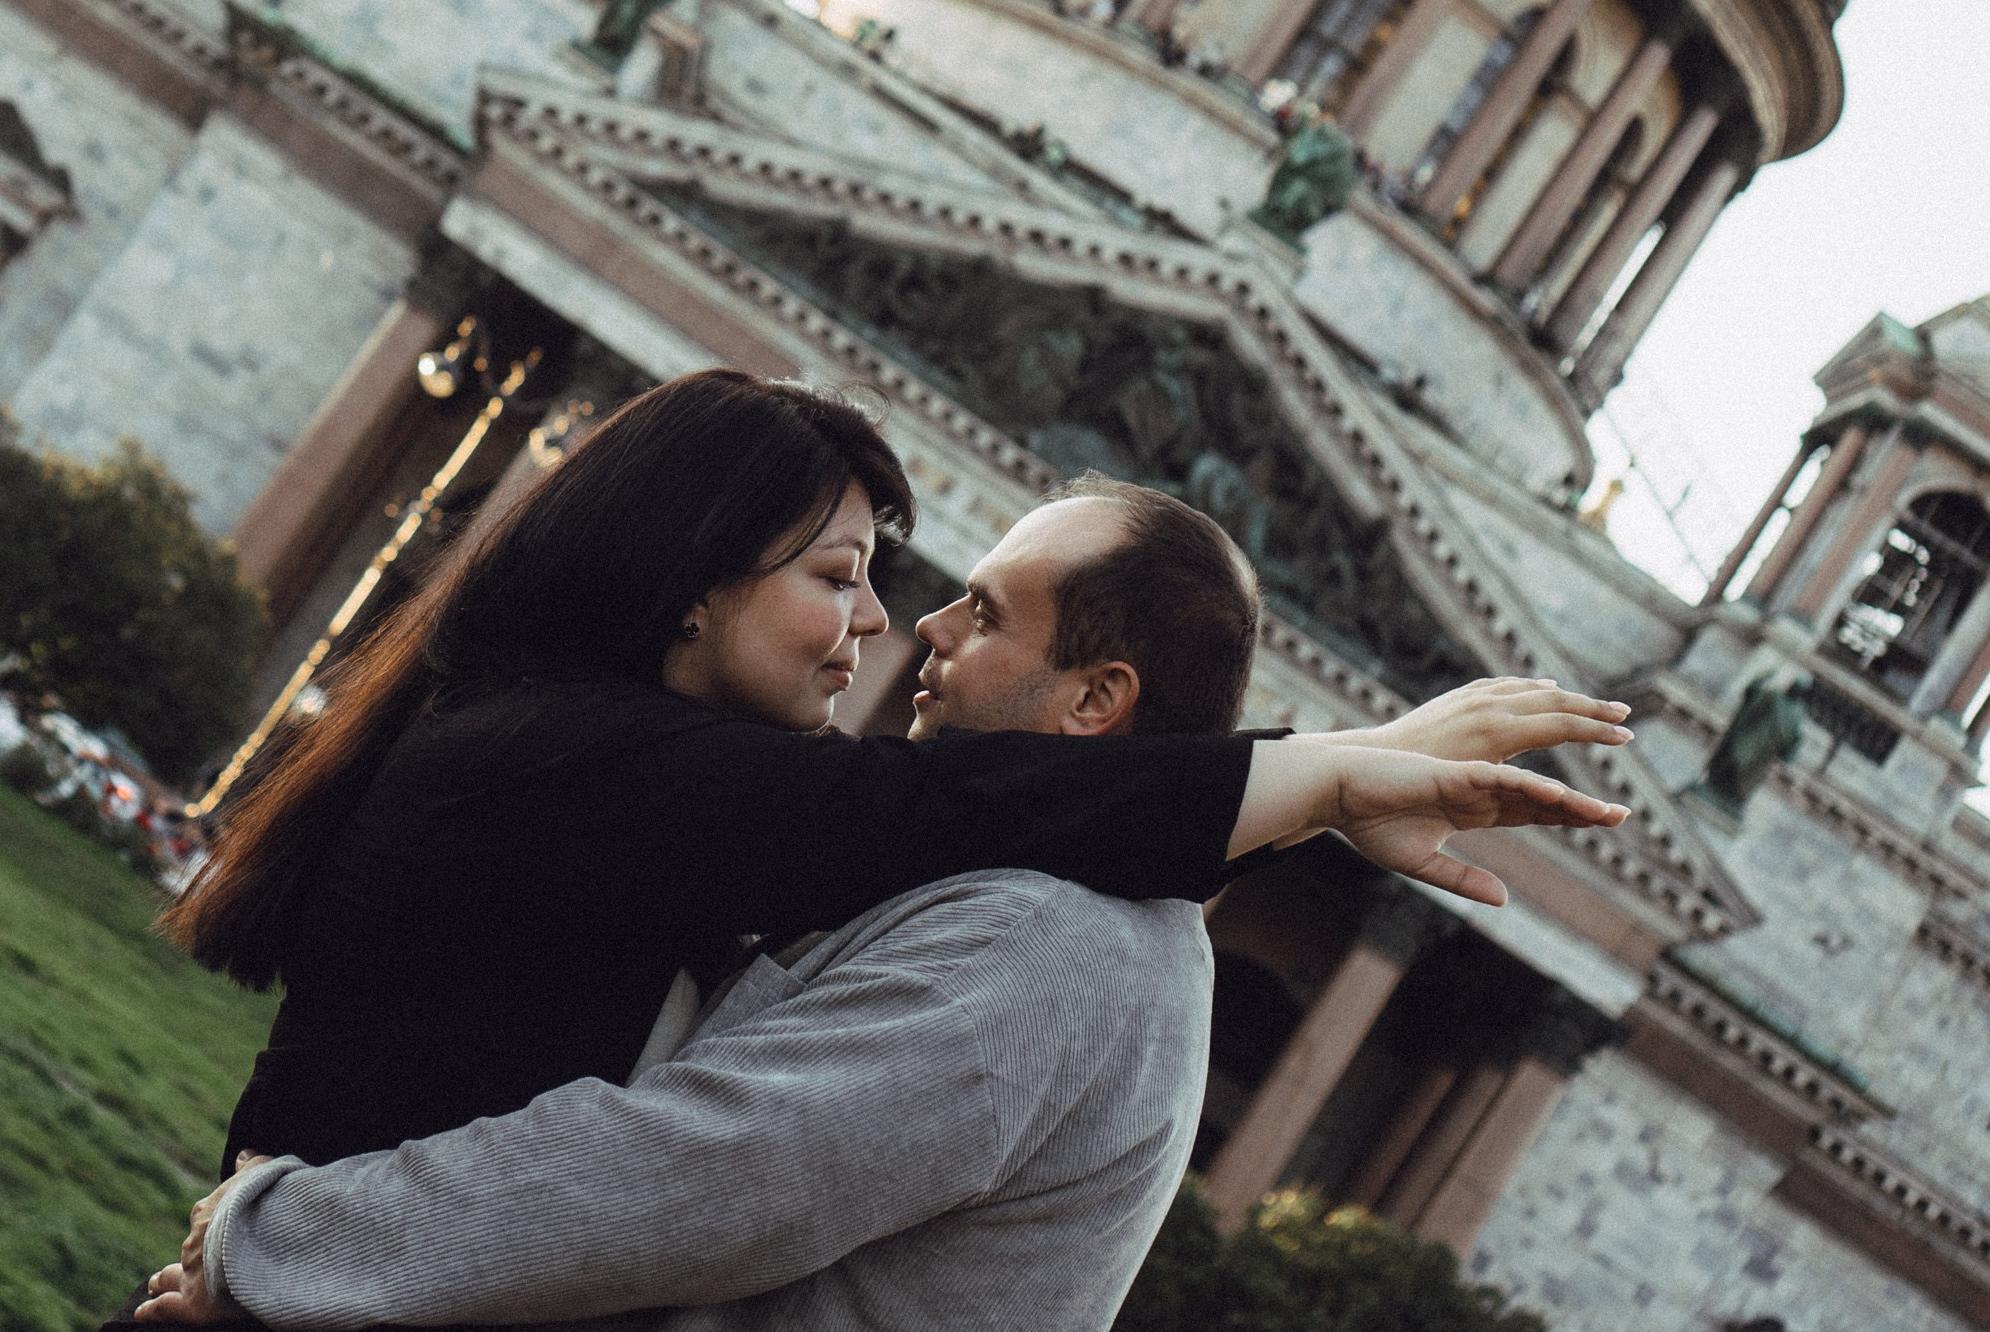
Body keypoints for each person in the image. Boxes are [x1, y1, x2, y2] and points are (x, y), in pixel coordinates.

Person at [111, 371, 1624, 1325]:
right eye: (849, 576)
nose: (907, 630)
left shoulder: (1060, 935)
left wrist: (276, 1248)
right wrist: (1312, 784)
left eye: (976, 608)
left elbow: (705, 1172)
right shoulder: (588, 757)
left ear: (1102, 699)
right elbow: (928, 824)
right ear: (687, 586)